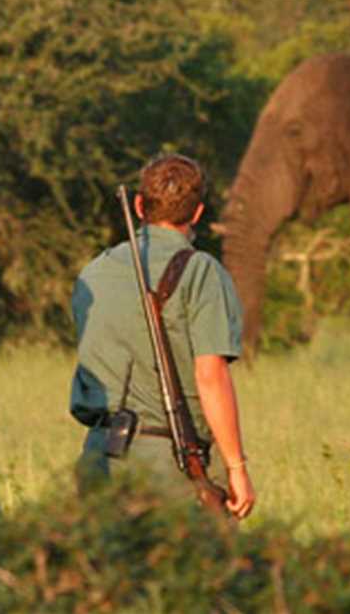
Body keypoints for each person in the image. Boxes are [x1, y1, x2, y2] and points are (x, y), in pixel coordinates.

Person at [68, 154, 256, 519]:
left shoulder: (94, 272)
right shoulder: (202, 271)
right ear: (198, 213)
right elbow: (211, 375)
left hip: (99, 454)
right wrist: (236, 466)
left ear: (139, 205)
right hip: (171, 461)